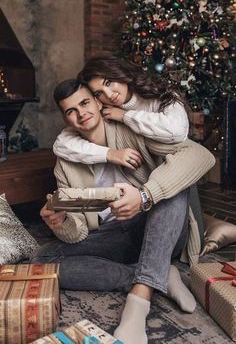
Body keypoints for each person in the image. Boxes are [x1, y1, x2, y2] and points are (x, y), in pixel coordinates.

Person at [31, 79, 215, 344]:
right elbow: (79, 231)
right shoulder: (66, 162)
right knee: (40, 263)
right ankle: (157, 274)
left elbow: (198, 155)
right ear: (65, 118)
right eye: (71, 110)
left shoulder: (131, 130)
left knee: (173, 185)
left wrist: (144, 196)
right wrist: (61, 222)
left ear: (97, 101)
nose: (81, 113)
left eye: (84, 103)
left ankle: (139, 299)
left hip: (157, 228)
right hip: (111, 235)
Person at [53, 56, 189, 168]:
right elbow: (61, 144)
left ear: (119, 73)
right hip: (145, 176)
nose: (109, 94)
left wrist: (124, 116)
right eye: (99, 93)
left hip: (178, 167)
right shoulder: (103, 111)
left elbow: (177, 132)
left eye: (108, 83)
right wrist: (109, 154)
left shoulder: (163, 95)